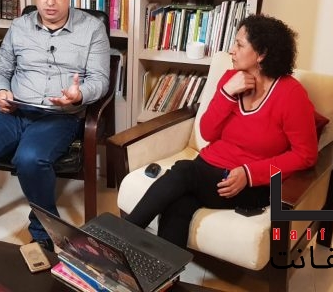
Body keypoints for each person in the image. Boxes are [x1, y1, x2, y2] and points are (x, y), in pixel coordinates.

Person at [125, 14, 318, 248]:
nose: (231, 50)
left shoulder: (290, 95)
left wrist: (249, 173)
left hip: (249, 184)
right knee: (179, 204)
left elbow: (305, 155)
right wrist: (227, 93)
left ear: (262, 53)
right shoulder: (230, 79)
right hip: (207, 170)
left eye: (239, 44)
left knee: (184, 171)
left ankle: (122, 234)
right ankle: (163, 270)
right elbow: (207, 132)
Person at [0, 0, 110, 251]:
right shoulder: (20, 26)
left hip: (57, 116)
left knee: (30, 158)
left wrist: (79, 95)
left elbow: (100, 80)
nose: (50, 1)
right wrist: (0, 91)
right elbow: (0, 70)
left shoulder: (92, 29)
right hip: (13, 110)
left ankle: (43, 234)